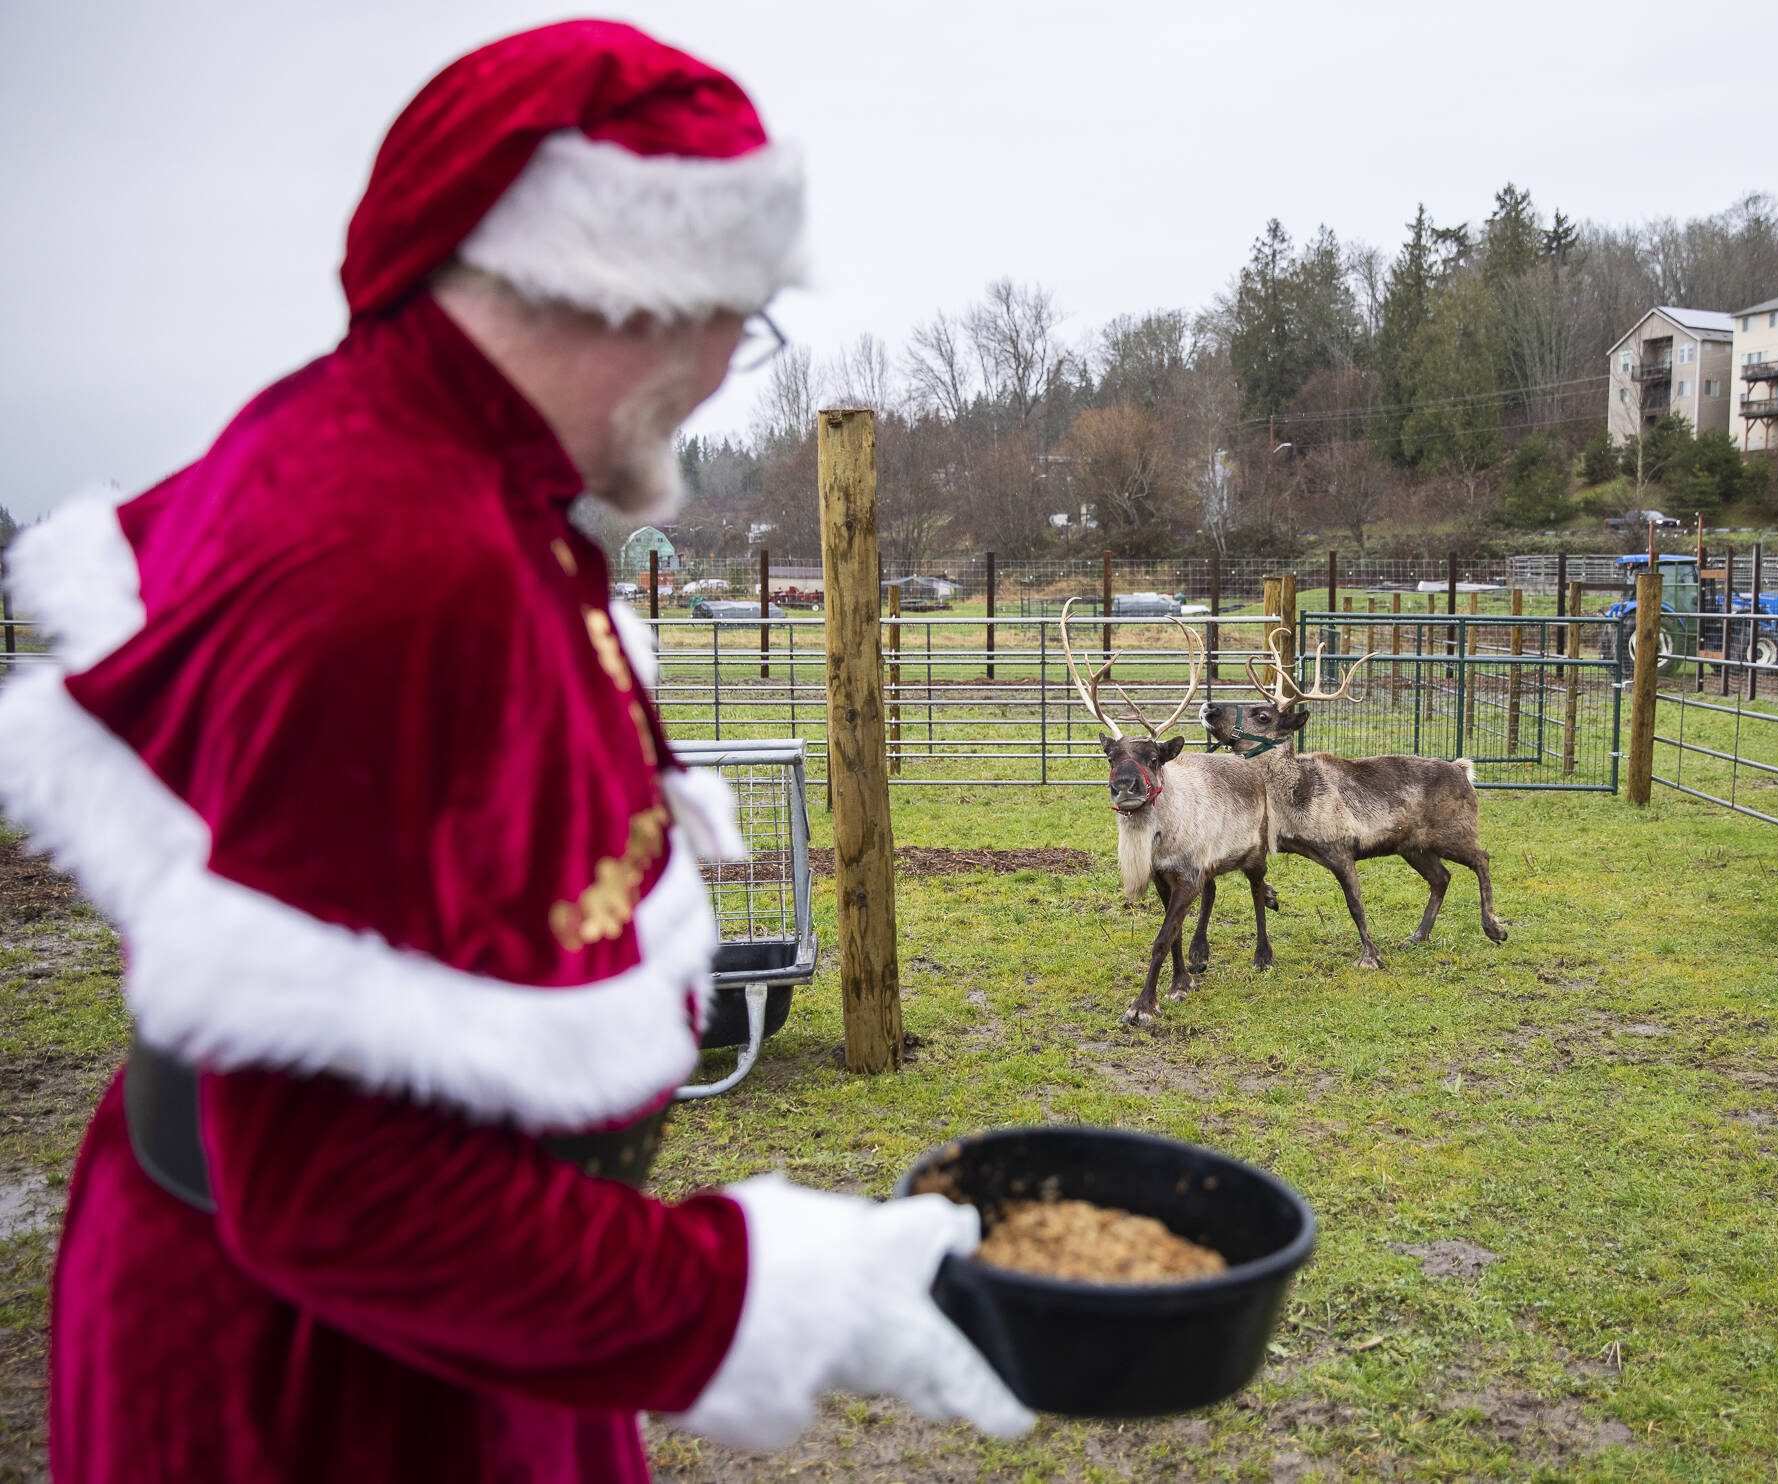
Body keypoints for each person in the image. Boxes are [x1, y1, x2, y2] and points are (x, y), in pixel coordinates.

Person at [0, 20, 1029, 1483]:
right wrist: (752, 1294)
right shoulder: (391, 560)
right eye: (735, 312)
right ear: (614, 283)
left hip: (458, 1326)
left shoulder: (449, 476)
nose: (736, 361)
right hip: (331, 1396)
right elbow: (334, 1192)